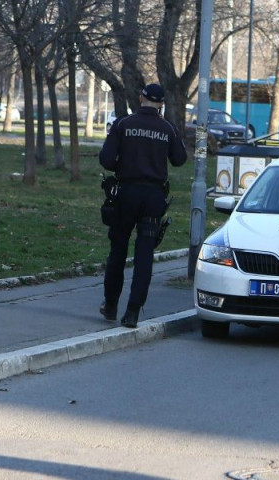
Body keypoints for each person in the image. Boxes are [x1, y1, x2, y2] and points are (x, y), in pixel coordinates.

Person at [99, 83, 187, 328]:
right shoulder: (167, 128)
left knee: (118, 249)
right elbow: (179, 159)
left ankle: (111, 305)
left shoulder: (123, 124)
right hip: (153, 197)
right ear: (161, 104)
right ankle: (133, 311)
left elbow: (106, 160)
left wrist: (124, 163)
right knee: (145, 254)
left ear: (140, 98)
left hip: (125, 193)